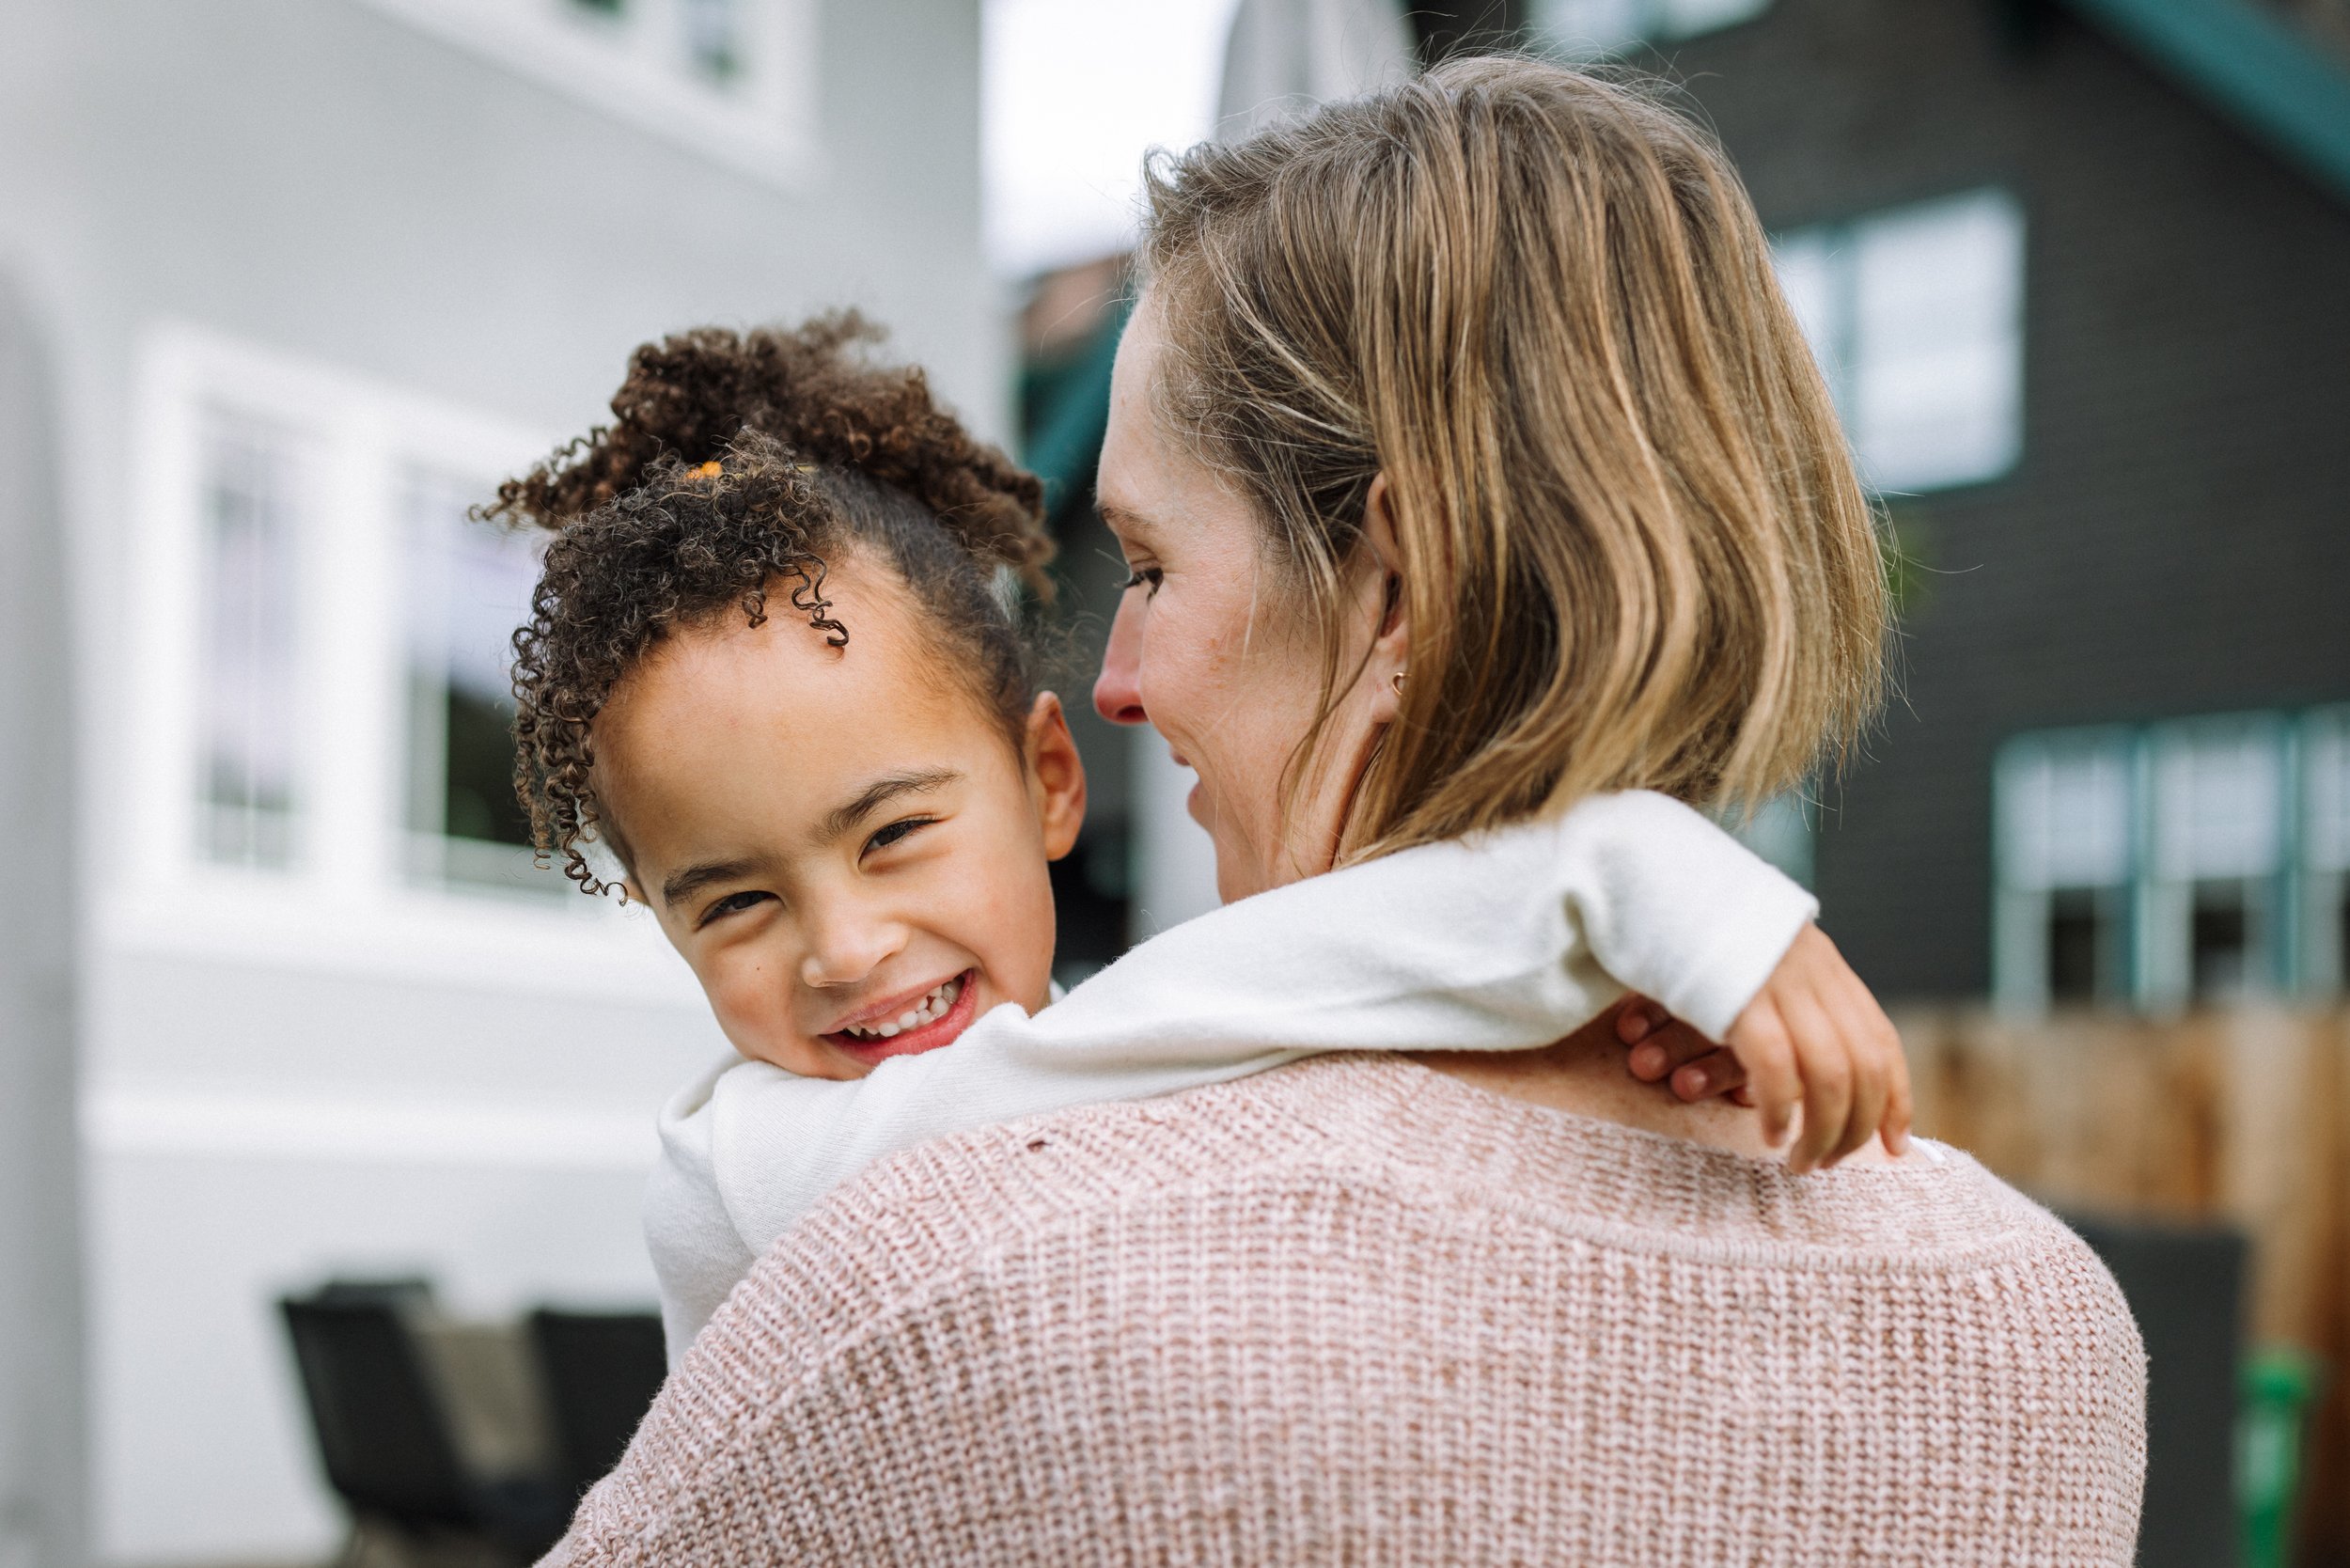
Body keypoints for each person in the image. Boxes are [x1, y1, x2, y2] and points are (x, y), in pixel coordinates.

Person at [542, 60, 2145, 1564]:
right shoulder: (2043, 1324)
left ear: (1396, 583)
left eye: (1155, 567)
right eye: (732, 896)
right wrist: (1614, 890)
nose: (1115, 683)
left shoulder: (989, 1269)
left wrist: (1605, 896)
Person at [492, 321, 1907, 1360]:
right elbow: (1233, 1002)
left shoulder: (1130, 1048)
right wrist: (1622, 883)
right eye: (733, 904)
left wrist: (1603, 1007)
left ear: (1053, 779)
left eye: (896, 834)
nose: (844, 949)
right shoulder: (743, 1165)